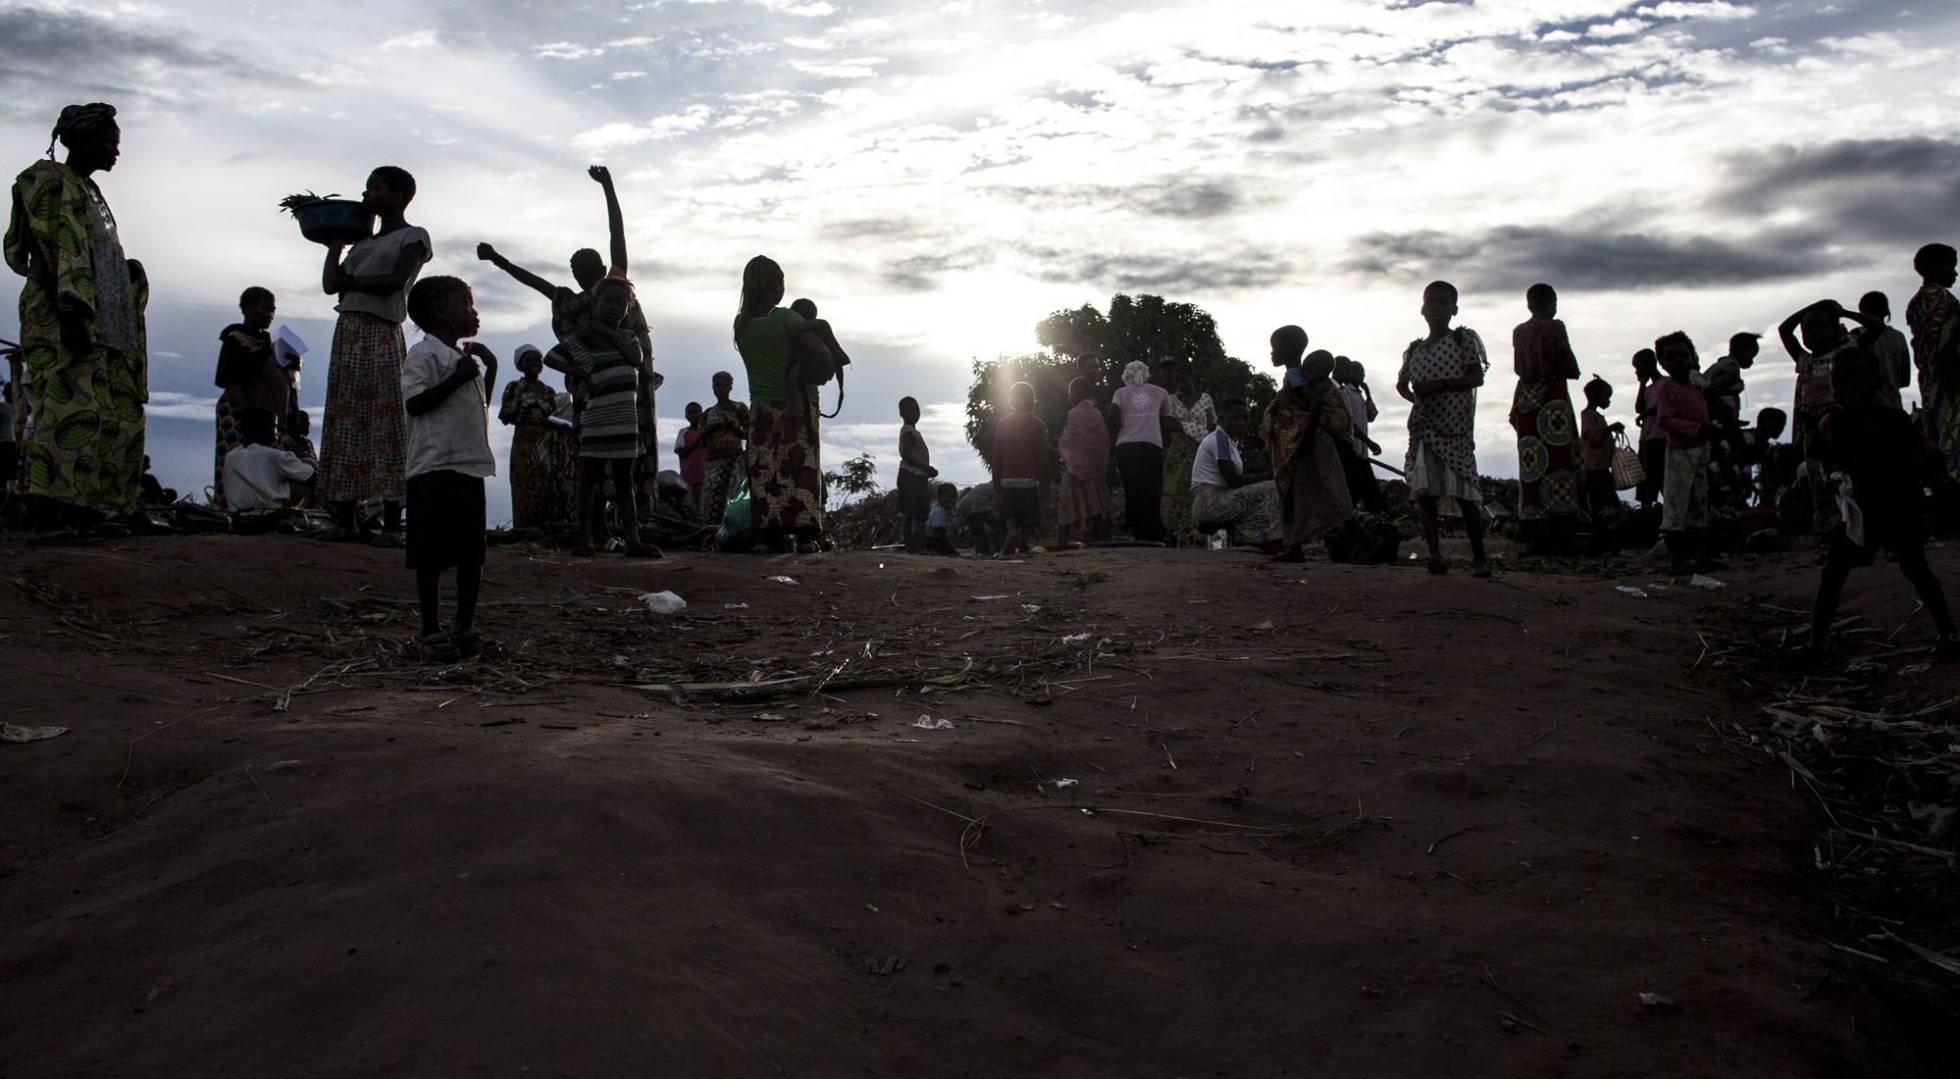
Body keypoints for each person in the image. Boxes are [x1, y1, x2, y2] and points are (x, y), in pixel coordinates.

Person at [4, 102, 149, 525]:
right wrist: (69, 313)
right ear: (82, 140)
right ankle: (56, 505)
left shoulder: (91, 192)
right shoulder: (49, 183)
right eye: (109, 143)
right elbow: (50, 253)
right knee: (70, 408)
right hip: (66, 320)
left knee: (112, 413)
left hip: (105, 324)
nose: (116, 152)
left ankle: (91, 503)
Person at [478, 166, 660, 502]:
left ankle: (634, 510)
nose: (578, 272)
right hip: (592, 383)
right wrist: (498, 261)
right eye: (575, 268)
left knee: (633, 439)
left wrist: (608, 188)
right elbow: (534, 282)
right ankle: (603, 517)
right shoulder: (570, 300)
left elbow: (617, 236)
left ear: (601, 269)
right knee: (594, 443)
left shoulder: (613, 288)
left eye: (583, 267)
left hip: (626, 381)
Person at [1806, 352, 1957, 662]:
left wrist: (1935, 488)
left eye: (1855, 380)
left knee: (1916, 569)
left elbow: (1926, 455)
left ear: (1875, 382)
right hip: (1860, 513)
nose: (1847, 388)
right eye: (1840, 382)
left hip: (1899, 507)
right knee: (1835, 573)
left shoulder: (1893, 420)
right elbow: (1823, 467)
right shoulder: (1831, 424)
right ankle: (1815, 643)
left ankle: (1948, 631)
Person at [319, 165, 429, 544]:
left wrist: (350, 282)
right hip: (349, 331)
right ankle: (346, 517)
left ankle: (390, 521)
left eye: (375, 189)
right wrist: (336, 244)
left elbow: (395, 281)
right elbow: (330, 284)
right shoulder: (361, 245)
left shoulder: (414, 237)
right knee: (347, 418)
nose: (367, 195)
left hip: (381, 332)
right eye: (367, 189)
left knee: (386, 422)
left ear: (398, 197)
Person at [401, 276, 497, 659]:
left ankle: (464, 625)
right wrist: (459, 376)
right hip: (434, 466)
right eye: (466, 304)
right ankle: (430, 630)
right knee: (432, 555)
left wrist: (489, 369)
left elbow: (477, 408)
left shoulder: (460, 359)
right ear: (441, 310)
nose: (473, 312)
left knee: (471, 553)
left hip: (469, 465)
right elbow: (415, 404)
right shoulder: (424, 355)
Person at [547, 276, 658, 557]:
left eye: (622, 302)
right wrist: (582, 373)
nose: (615, 307)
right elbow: (552, 357)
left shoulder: (629, 337)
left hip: (626, 419)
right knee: (589, 478)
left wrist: (608, 333)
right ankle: (585, 537)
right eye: (609, 301)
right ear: (596, 303)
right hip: (598, 417)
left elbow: (635, 360)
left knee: (625, 482)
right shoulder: (584, 337)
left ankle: (632, 539)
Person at [732, 255, 832, 553]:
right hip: (797, 405)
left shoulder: (741, 324)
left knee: (766, 472)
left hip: (761, 409)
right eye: (780, 282)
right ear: (772, 286)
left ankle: (766, 537)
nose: (782, 288)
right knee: (801, 469)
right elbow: (822, 355)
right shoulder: (788, 319)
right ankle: (805, 536)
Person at [1397, 281, 1490, 577]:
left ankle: (1480, 558)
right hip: (1424, 430)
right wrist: (1416, 398)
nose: (1436, 308)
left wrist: (1441, 386)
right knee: (1426, 495)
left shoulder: (1463, 340)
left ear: (1454, 309)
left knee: (1466, 494)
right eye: (1431, 303)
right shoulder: (1415, 351)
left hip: (1455, 430)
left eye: (1443, 303)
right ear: (1422, 309)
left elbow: (1476, 377)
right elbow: (1402, 384)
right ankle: (1435, 555)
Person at [1779, 298, 1864, 532]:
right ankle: (1828, 529)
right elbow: (1785, 330)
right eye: (1808, 330)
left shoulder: (1846, 351)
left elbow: (1876, 328)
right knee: (1818, 481)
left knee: (1846, 476)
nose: (1814, 335)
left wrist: (1842, 312)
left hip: (1840, 425)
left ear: (1835, 329)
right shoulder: (1804, 359)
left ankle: (1853, 525)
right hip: (1811, 427)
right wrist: (1813, 307)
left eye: (1821, 328)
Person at [1509, 283, 1583, 552]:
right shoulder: (1555, 327)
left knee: (1532, 465)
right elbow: (1569, 366)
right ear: (1550, 302)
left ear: (1529, 304)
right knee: (1560, 461)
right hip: (1552, 399)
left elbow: (1519, 368)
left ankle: (1533, 524)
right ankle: (1561, 528)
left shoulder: (1519, 332)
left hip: (1527, 401)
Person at [1266, 350, 1356, 563]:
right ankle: (1293, 545)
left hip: (1311, 443)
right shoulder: (1300, 377)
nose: (1272, 352)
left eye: (1277, 346)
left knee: (1326, 489)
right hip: (1308, 444)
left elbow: (1313, 404)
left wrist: (1304, 438)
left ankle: (1361, 536)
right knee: (1302, 493)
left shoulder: (1295, 377)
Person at [1652, 331, 1719, 575]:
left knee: (1699, 503)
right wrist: (1698, 429)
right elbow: (1665, 420)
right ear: (1663, 364)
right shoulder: (1667, 389)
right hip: (1680, 453)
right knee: (1676, 507)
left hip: (1700, 452)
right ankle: (1677, 561)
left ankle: (1700, 558)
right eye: (1671, 358)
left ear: (1693, 357)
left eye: (1683, 355)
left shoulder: (1697, 388)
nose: (1678, 361)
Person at [211, 288, 282, 509]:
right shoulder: (234, 338)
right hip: (237, 408)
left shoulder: (268, 342)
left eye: (272, 310)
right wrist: (244, 410)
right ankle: (227, 507)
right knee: (233, 458)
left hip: (262, 412)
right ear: (247, 308)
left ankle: (255, 507)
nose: (269, 315)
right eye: (264, 308)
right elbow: (231, 379)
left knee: (258, 463)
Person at [1191, 397, 1282, 550]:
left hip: (1216, 499)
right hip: (1210, 502)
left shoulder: (1228, 441)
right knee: (1272, 488)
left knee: (1260, 490)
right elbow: (1234, 481)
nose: (1242, 422)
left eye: (1245, 418)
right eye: (1236, 418)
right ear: (1221, 419)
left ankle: (1250, 540)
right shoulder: (1219, 439)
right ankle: (1263, 540)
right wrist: (1271, 475)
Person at [1905, 243, 1958, 483]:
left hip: (1931, 380)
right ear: (1935, 268)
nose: (1956, 274)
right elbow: (1946, 341)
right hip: (1948, 382)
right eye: (1952, 267)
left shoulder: (1917, 302)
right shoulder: (1940, 299)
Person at [497, 345, 564, 530]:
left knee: (546, 483)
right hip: (524, 443)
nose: (535, 363)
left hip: (547, 443)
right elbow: (505, 415)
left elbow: (558, 416)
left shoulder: (549, 391)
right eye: (530, 360)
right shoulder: (515, 387)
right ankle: (524, 530)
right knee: (523, 483)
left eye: (538, 360)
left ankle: (544, 530)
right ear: (521, 365)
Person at [1108, 359, 1175, 542]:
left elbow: (1112, 414)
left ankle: (1136, 530)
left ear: (1126, 374)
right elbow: (1165, 421)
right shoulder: (1161, 393)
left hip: (1126, 447)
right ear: (1146, 373)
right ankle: (1152, 531)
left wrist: (1123, 426)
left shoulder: (1120, 393)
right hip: (1151, 445)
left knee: (1132, 489)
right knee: (1152, 489)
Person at [1160, 358, 1217, 546]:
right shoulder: (1171, 400)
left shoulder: (1206, 398)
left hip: (1201, 453)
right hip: (1179, 453)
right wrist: (1197, 428)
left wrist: (1184, 426)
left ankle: (1198, 538)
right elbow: (1167, 423)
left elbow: (1213, 426)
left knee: (1199, 492)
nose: (1179, 384)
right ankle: (1175, 537)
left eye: (1182, 379)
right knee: (1174, 494)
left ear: (1191, 377)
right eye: (1176, 380)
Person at [992, 380, 1050, 557]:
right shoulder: (1039, 425)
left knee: (1010, 515)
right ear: (1032, 400)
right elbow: (1042, 458)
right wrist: (1045, 487)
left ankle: (1011, 533)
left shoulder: (1003, 424)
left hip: (1007, 479)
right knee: (1029, 519)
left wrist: (996, 483)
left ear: (1012, 401)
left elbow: (997, 456)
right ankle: (1022, 542)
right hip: (1029, 480)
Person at [222, 406, 315, 515]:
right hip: (266, 519)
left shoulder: (230, 456)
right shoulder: (275, 456)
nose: (277, 433)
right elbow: (313, 477)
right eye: (274, 427)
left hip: (236, 518)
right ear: (263, 429)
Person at [1056, 377, 1114, 547]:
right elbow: (1103, 440)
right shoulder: (1097, 414)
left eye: (1069, 393)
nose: (1069, 397)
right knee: (1096, 506)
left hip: (1075, 468)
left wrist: (1059, 442)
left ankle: (1061, 545)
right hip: (1095, 468)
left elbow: (1071, 440)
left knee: (1066, 508)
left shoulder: (1073, 413)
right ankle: (1097, 543)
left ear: (1076, 393)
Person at [1334, 358, 1385, 514]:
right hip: (1351, 449)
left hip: (1361, 451)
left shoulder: (1360, 395)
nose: (1361, 375)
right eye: (1358, 372)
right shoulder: (1345, 392)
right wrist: (1369, 442)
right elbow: (1348, 422)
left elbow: (1372, 416)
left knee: (1361, 490)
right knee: (1362, 488)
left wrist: (1369, 394)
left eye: (1363, 372)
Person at [701, 371, 750, 532]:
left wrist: (733, 428)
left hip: (734, 459)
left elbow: (750, 433)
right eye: (717, 385)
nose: (720, 389)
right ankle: (711, 533)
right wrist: (710, 431)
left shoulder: (739, 408)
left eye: (724, 385)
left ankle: (733, 532)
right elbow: (701, 441)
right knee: (711, 498)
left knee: (733, 495)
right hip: (714, 461)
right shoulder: (708, 413)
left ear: (730, 387)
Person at [896, 395, 937, 551]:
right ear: (902, 413)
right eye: (910, 410)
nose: (915, 413)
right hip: (911, 476)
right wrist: (926, 468)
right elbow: (906, 454)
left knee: (913, 513)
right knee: (914, 513)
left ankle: (913, 546)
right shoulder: (908, 431)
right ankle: (916, 546)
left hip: (916, 476)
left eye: (917, 410)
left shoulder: (912, 431)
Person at [1859, 291, 1911, 412]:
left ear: (1862, 311)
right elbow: (1904, 380)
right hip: (1894, 405)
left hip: (1867, 407)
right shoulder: (1899, 337)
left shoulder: (1856, 337)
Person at [1578, 376, 1619, 520]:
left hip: (1600, 468)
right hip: (1594, 469)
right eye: (1606, 397)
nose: (1608, 401)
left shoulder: (1595, 416)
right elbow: (1593, 439)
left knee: (1606, 503)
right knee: (1603, 504)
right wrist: (1610, 429)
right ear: (1596, 397)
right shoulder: (1588, 416)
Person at [1702, 332, 1760, 433]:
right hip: (1717, 422)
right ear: (1741, 349)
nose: (1752, 361)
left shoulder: (1720, 365)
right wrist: (1728, 420)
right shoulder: (1731, 367)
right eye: (1751, 356)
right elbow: (1713, 393)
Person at [1630, 348, 1665, 507]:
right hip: (1647, 438)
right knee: (1645, 482)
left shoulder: (1666, 383)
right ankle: (1647, 514)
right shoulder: (1648, 388)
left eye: (1638, 366)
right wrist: (1642, 384)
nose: (1637, 371)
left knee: (1663, 477)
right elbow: (1638, 408)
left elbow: (1667, 406)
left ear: (1651, 363)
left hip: (1662, 438)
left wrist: (1648, 413)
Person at [675, 401, 709, 520]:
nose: (693, 415)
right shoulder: (683, 432)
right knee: (689, 510)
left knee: (703, 510)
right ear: (686, 416)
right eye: (690, 412)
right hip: (687, 478)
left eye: (696, 412)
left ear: (701, 414)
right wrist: (698, 441)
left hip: (704, 478)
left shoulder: (706, 433)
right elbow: (681, 453)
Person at [956, 483, 1005, 556]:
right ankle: (996, 550)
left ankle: (982, 551)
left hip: (963, 505)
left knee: (978, 530)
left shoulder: (984, 486)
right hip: (979, 505)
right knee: (1000, 527)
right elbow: (999, 504)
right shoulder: (999, 487)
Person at [925, 482, 958, 554]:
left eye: (954, 496)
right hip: (932, 539)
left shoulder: (948, 510)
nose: (953, 499)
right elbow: (939, 532)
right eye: (949, 496)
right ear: (940, 497)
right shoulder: (938, 511)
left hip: (937, 538)